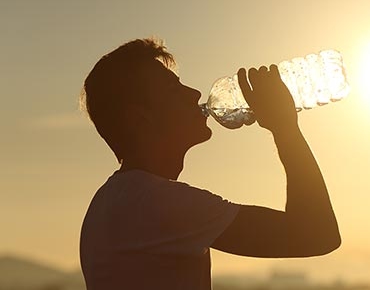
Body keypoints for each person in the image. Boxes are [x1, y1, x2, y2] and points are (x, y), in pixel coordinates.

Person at [79, 37, 341, 290]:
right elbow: (315, 234)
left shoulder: (114, 201)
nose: (194, 93)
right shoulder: (152, 203)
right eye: (173, 89)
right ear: (140, 119)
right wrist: (285, 128)